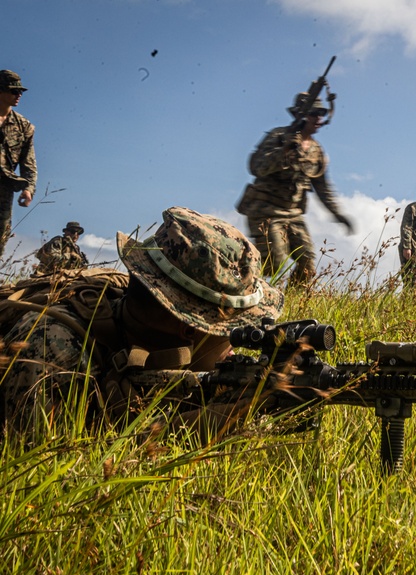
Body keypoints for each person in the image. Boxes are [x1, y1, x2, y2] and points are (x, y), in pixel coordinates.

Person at [0, 207, 283, 438]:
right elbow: (49, 477)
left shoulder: (151, 342)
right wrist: (190, 429)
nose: (235, 348)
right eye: (232, 332)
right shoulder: (51, 349)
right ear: (191, 328)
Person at [236, 92, 354, 286]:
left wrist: (339, 215)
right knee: (273, 263)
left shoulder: (317, 152)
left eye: (322, 113)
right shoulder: (278, 137)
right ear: (302, 115)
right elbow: (256, 166)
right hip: (265, 210)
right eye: (314, 113)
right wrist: (284, 151)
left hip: (293, 214)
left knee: (307, 262)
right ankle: (239, 282)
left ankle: (294, 304)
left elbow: (323, 189)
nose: (319, 118)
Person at [0, 70, 36, 258]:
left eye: (20, 92)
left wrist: (28, 189)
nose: (18, 95)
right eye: (14, 91)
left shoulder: (24, 126)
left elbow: (28, 162)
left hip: (4, 190)